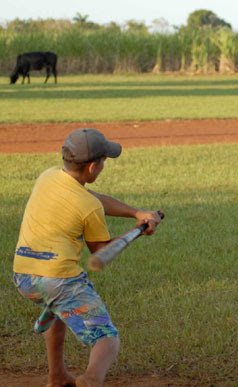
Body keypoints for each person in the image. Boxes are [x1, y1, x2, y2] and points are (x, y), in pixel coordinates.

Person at [12, 128, 163, 387]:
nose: (104, 165)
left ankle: (56, 377)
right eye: (104, 161)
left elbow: (96, 199)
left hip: (24, 276)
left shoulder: (47, 177)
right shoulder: (88, 208)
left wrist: (137, 214)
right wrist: (137, 233)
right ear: (93, 167)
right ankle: (92, 379)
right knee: (106, 338)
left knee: (59, 311)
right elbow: (100, 250)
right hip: (58, 280)